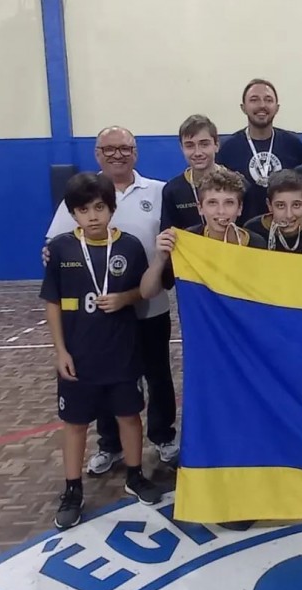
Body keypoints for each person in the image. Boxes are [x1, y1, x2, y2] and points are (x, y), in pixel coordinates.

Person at [44, 126, 180, 474]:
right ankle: (111, 445)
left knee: (157, 374)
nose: (117, 154)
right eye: (109, 148)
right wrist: (49, 254)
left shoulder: (159, 191)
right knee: (106, 376)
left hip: (149, 303)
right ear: (96, 152)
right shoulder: (80, 194)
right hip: (101, 316)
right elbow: (54, 244)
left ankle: (164, 438)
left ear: (136, 151)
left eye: (125, 147)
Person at [41, 172, 162, 530]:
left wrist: (124, 297)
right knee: (75, 424)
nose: (93, 216)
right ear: (73, 214)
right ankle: (72, 488)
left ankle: (136, 474)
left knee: (129, 416)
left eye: (99, 207)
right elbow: (51, 304)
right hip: (78, 355)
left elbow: (145, 289)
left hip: (122, 351)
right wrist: (59, 350)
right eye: (84, 210)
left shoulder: (129, 246)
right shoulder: (62, 248)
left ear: (111, 209)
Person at [142, 169, 266, 299]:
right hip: (200, 319)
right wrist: (160, 258)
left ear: (239, 208)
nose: (221, 211)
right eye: (212, 203)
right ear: (200, 208)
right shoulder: (187, 243)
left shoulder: (256, 243)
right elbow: (147, 293)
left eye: (229, 203)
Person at [217, 79, 302, 223]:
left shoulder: (294, 145)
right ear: (243, 107)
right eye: (254, 100)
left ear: (277, 108)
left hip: (288, 229)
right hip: (243, 233)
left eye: (268, 100)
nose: (262, 105)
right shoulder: (227, 149)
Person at [244, 170, 302, 255]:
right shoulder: (254, 229)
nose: (289, 215)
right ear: (269, 205)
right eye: (280, 206)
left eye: (296, 205)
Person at [160, 114, 221, 231]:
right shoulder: (172, 190)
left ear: (216, 145)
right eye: (190, 146)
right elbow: (169, 234)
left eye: (204, 144)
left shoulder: (238, 185)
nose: (197, 152)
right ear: (181, 148)